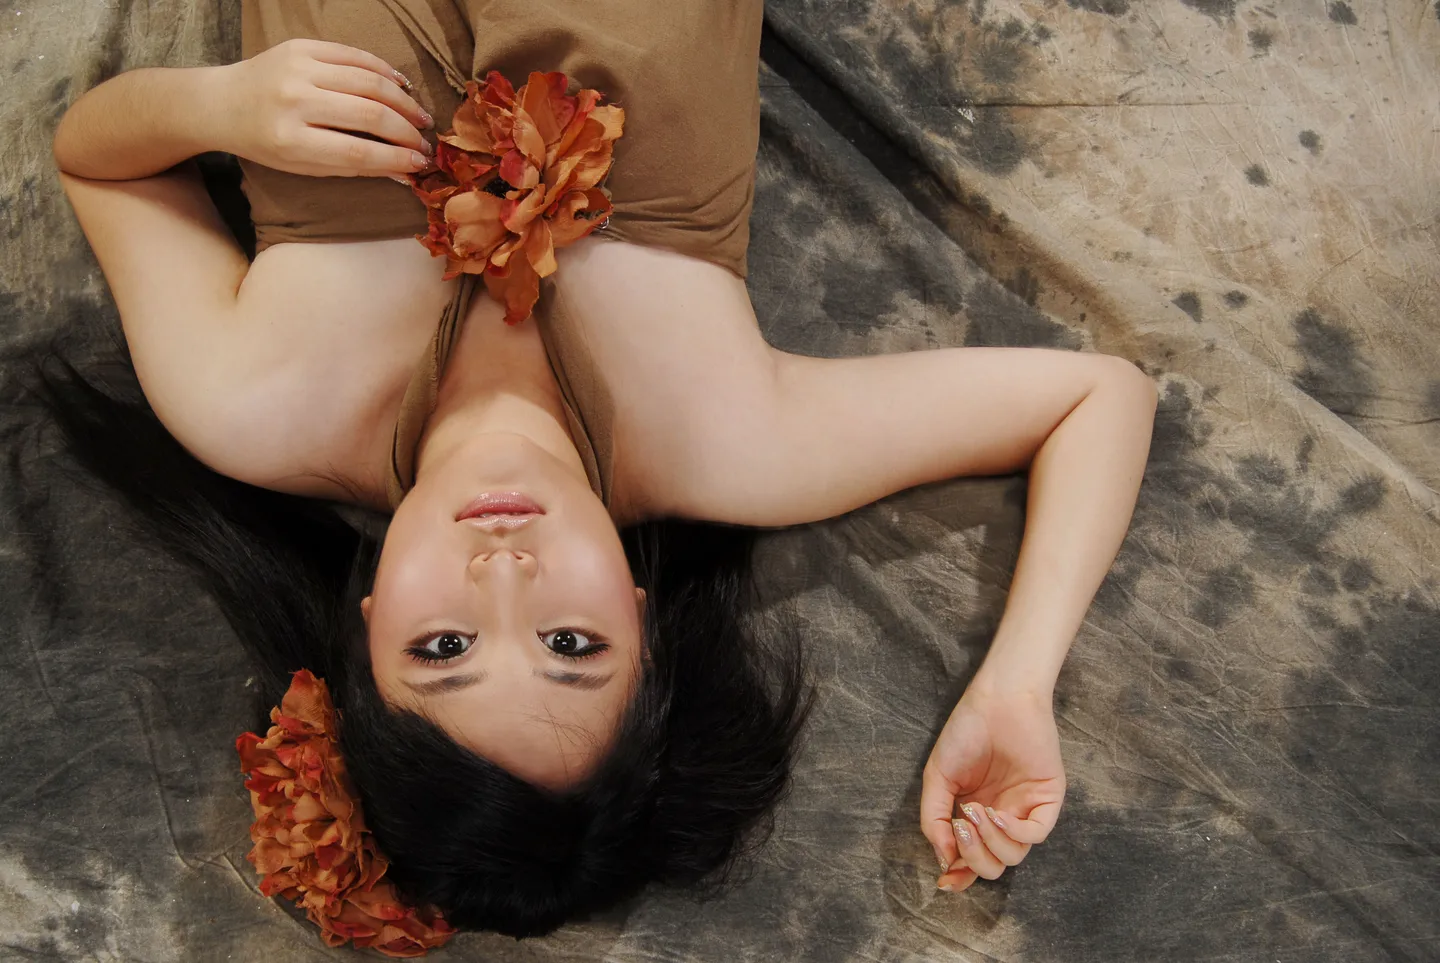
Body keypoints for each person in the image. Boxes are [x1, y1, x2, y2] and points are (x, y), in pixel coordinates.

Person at [44, 0, 1157, 948]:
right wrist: (1017, 686)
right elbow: (1096, 398)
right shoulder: (730, 437)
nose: (504, 573)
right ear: (639, 618)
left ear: (367, 632)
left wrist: (219, 106)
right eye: (572, 646)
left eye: (444, 649)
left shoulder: (254, 404)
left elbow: (96, 162)